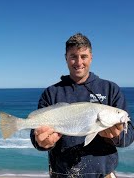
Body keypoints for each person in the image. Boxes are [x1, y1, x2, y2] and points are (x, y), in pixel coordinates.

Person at [30, 33, 134, 178]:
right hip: (61, 174)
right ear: (66, 58)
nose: (79, 62)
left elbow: (128, 137)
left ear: (91, 57)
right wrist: (42, 142)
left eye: (84, 56)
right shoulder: (51, 93)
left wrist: (116, 136)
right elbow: (36, 136)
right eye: (73, 56)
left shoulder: (110, 89)